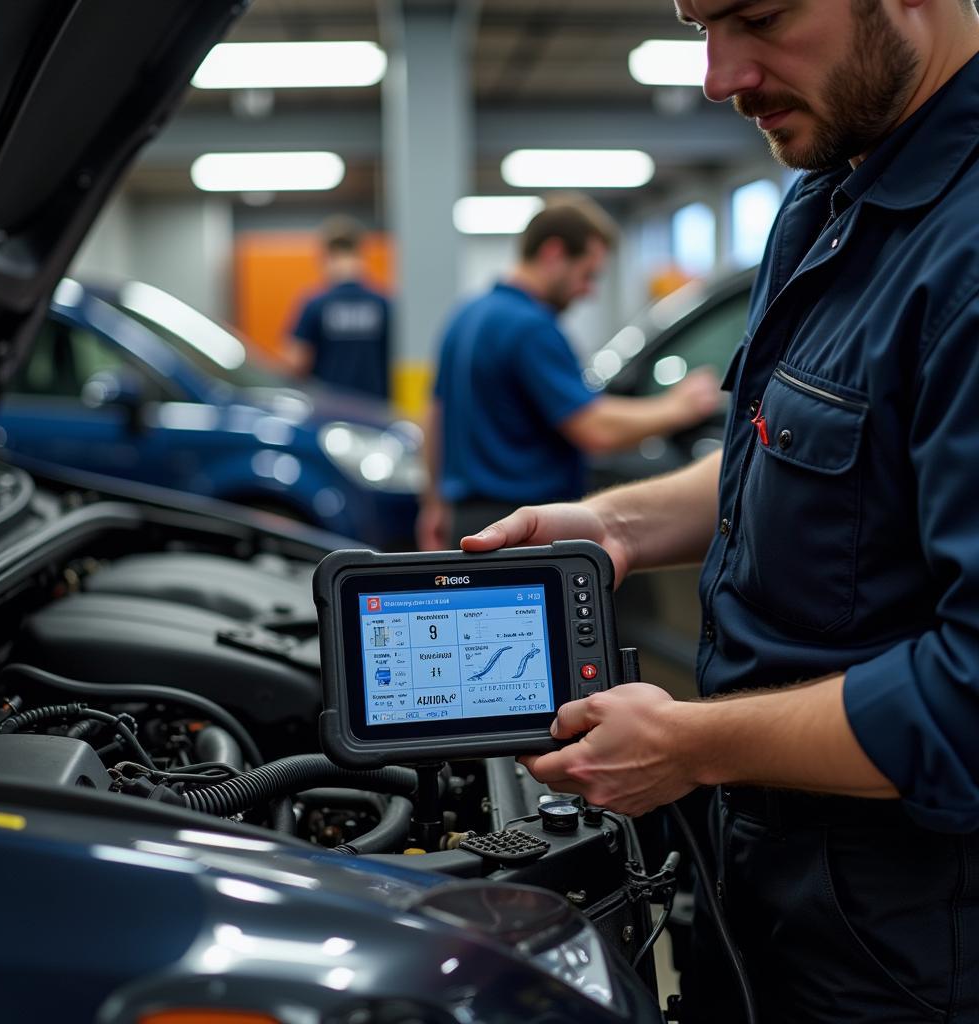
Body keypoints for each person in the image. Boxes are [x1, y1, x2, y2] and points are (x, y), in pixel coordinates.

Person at [462, 1, 979, 1020]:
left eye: (758, 16)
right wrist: (615, 527)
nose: (718, 76)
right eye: (700, 24)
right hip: (760, 874)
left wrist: (692, 744)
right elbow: (777, 452)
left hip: (906, 939)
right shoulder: (828, 193)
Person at [417, 197, 721, 550]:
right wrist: (679, 407)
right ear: (553, 253)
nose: (589, 291)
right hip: (522, 527)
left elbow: (434, 416)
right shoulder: (531, 328)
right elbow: (595, 428)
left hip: (466, 521)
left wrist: (433, 505)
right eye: (587, 274)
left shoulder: (466, 314)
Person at [284, 216, 391, 400]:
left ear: (328, 257)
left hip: (329, 410)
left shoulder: (316, 304)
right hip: (376, 409)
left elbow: (295, 362)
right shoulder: (384, 303)